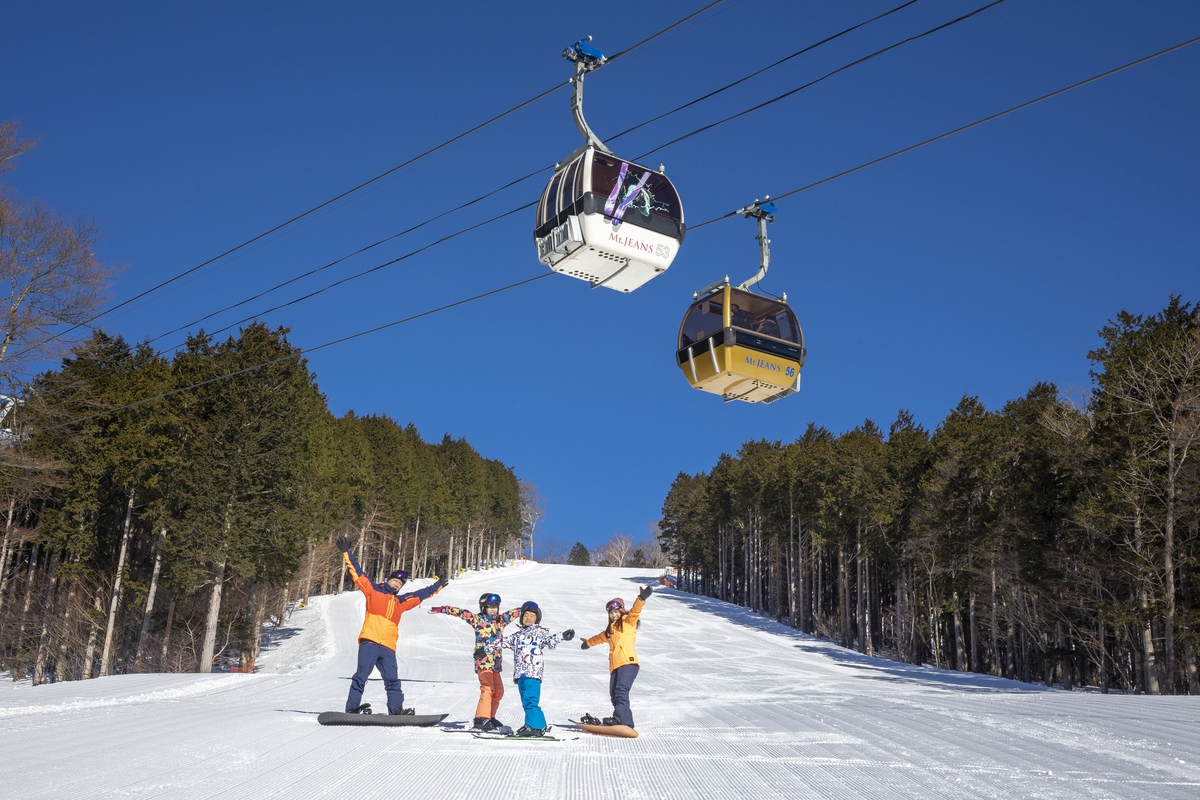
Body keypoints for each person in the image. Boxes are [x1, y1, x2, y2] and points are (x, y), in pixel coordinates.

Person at [337, 535, 447, 715]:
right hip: (370, 642)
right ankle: (351, 709)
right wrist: (346, 553)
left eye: (400, 584)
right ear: (388, 579)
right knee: (361, 677)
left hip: (388, 646)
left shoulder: (400, 602)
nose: (397, 584)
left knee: (393, 680)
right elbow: (357, 572)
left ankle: (396, 710)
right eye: (395, 580)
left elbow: (421, 594)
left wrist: (438, 585)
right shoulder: (373, 591)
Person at [480, 600, 573, 737]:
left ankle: (533, 726)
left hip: (533, 673)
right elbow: (501, 642)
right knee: (526, 701)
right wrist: (485, 649)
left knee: (530, 701)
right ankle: (538, 725)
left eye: (532, 616)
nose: (528, 618)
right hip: (521, 674)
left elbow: (550, 640)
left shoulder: (540, 633)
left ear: (537, 619)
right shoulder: (517, 636)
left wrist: (562, 636)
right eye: (526, 615)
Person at [428, 593, 520, 731]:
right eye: (490, 607)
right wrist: (442, 608)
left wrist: (530, 609)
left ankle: (489, 716)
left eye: (495, 607)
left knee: (499, 691)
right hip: (483, 661)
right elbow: (460, 612)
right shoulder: (477, 620)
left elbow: (516, 612)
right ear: (483, 608)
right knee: (488, 688)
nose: (493, 610)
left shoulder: (501, 620)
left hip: (495, 663)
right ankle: (481, 718)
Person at [580, 585, 652, 728]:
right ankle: (623, 720)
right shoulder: (610, 630)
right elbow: (599, 638)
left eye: (616, 612)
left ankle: (622, 720)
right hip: (615, 666)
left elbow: (635, 612)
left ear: (621, 611)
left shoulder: (628, 622)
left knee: (621, 691)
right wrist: (588, 642)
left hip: (628, 663)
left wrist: (641, 599)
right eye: (611, 613)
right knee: (614, 694)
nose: (613, 615)